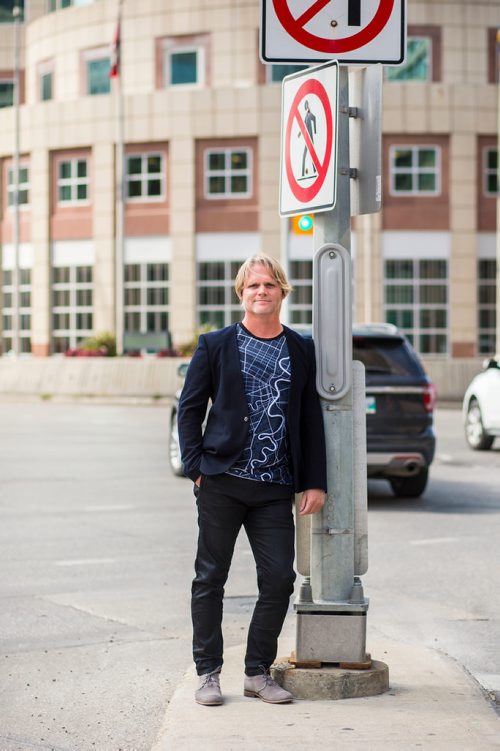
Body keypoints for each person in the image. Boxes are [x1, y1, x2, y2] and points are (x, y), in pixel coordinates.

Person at [178, 254, 327, 706]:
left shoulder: (301, 348)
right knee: (211, 579)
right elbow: (189, 408)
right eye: (252, 286)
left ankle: (257, 671)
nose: (261, 292)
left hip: (274, 487)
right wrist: (196, 467)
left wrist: (315, 480)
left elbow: (308, 419)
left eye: (269, 285)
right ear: (241, 294)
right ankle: (208, 673)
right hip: (222, 481)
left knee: (279, 579)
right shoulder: (216, 344)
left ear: (283, 291)